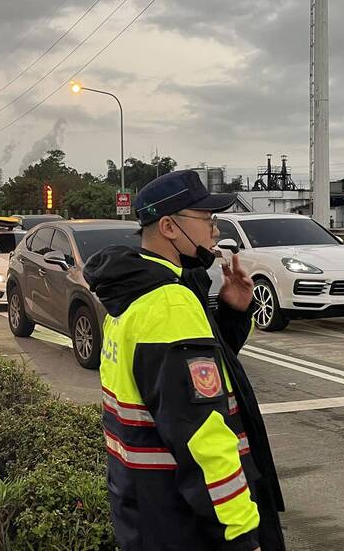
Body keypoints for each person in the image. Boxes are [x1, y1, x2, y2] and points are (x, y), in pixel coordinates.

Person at [84, 170, 285, 551]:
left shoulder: (136, 291)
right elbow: (202, 435)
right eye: (206, 220)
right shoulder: (168, 302)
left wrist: (232, 311)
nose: (215, 231)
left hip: (145, 507)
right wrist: (242, 534)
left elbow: (185, 384)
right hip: (186, 523)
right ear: (169, 226)